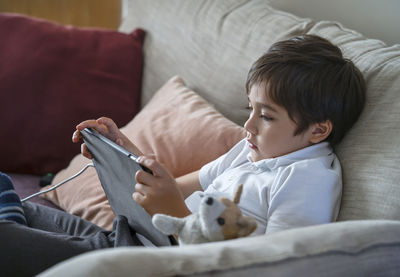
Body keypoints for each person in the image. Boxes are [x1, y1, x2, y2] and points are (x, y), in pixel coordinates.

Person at [0, 34, 366, 276]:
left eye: (266, 116)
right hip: (129, 239)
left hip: (153, 265)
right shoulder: (251, 149)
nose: (248, 126)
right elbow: (172, 189)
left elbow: (272, 265)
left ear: (319, 129)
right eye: (250, 109)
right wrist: (123, 153)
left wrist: (175, 213)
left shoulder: (308, 179)